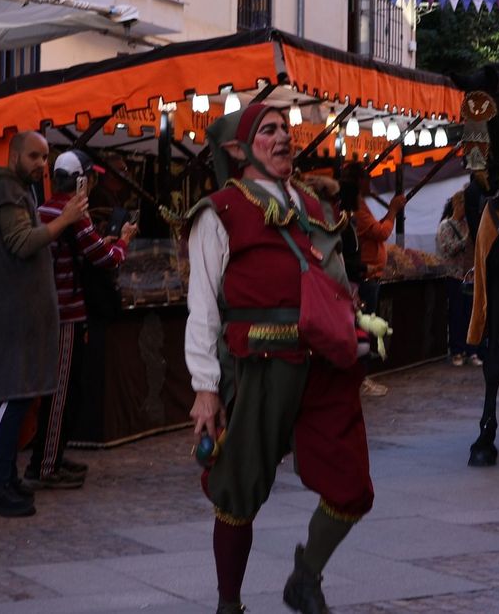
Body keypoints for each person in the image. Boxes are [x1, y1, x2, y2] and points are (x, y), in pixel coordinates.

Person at [185, 102, 374, 614]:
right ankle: (229, 604)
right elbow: (201, 304)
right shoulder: (220, 209)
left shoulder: (313, 206)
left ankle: (306, 576)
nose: (284, 137)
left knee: (351, 483)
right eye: (269, 130)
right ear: (237, 149)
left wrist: (353, 316)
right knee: (238, 489)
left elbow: (334, 279)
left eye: (286, 130)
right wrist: (206, 388)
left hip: (325, 365)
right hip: (260, 366)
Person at [0, 132, 89, 517]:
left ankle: (6, 478)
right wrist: (67, 219)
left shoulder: (20, 191)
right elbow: (22, 243)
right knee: (15, 397)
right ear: (14, 156)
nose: (42, 163)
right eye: (34, 156)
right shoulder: (6, 193)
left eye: (45, 156)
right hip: (11, 316)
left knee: (22, 397)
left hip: (22, 314)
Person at [26, 150, 137, 490]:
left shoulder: (43, 208)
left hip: (51, 312)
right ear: (80, 181)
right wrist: (123, 240)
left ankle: (53, 456)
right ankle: (45, 466)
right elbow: (107, 259)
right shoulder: (72, 212)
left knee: (64, 390)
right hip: (67, 314)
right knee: (62, 392)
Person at [341, 164, 405, 397]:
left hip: (367, 274)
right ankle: (361, 377)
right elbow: (381, 233)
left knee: (364, 327)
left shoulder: (360, 205)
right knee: (364, 328)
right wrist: (393, 211)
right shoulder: (356, 207)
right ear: (359, 181)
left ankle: (360, 376)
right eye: (367, 178)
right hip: (364, 277)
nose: (371, 183)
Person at [437, 189, 480, 367]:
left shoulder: (469, 224)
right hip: (453, 276)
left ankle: (471, 350)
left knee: (470, 314)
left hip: (468, 276)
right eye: (464, 205)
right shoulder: (446, 226)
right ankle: (457, 351)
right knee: (456, 314)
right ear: (457, 204)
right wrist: (465, 241)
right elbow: (447, 248)